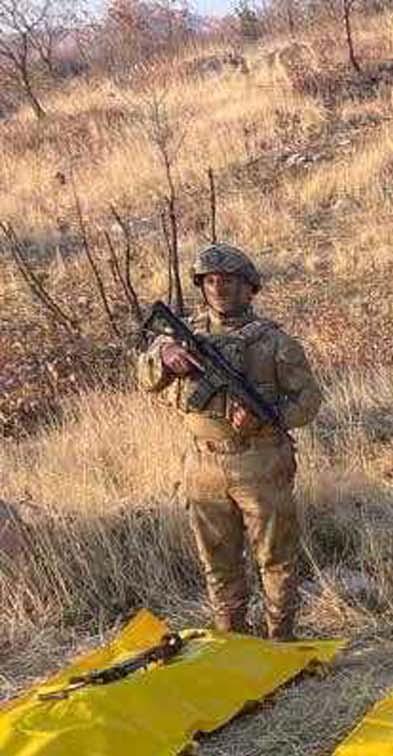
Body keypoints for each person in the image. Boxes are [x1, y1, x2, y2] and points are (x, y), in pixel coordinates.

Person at [136, 243, 324, 639]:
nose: (219, 289)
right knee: (217, 561)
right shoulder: (184, 336)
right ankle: (231, 639)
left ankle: (280, 640)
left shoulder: (274, 342)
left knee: (275, 559)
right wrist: (166, 354)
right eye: (211, 281)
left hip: (260, 461)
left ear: (249, 288)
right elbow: (146, 376)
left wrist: (262, 418)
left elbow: (308, 403)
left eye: (229, 281)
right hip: (203, 465)